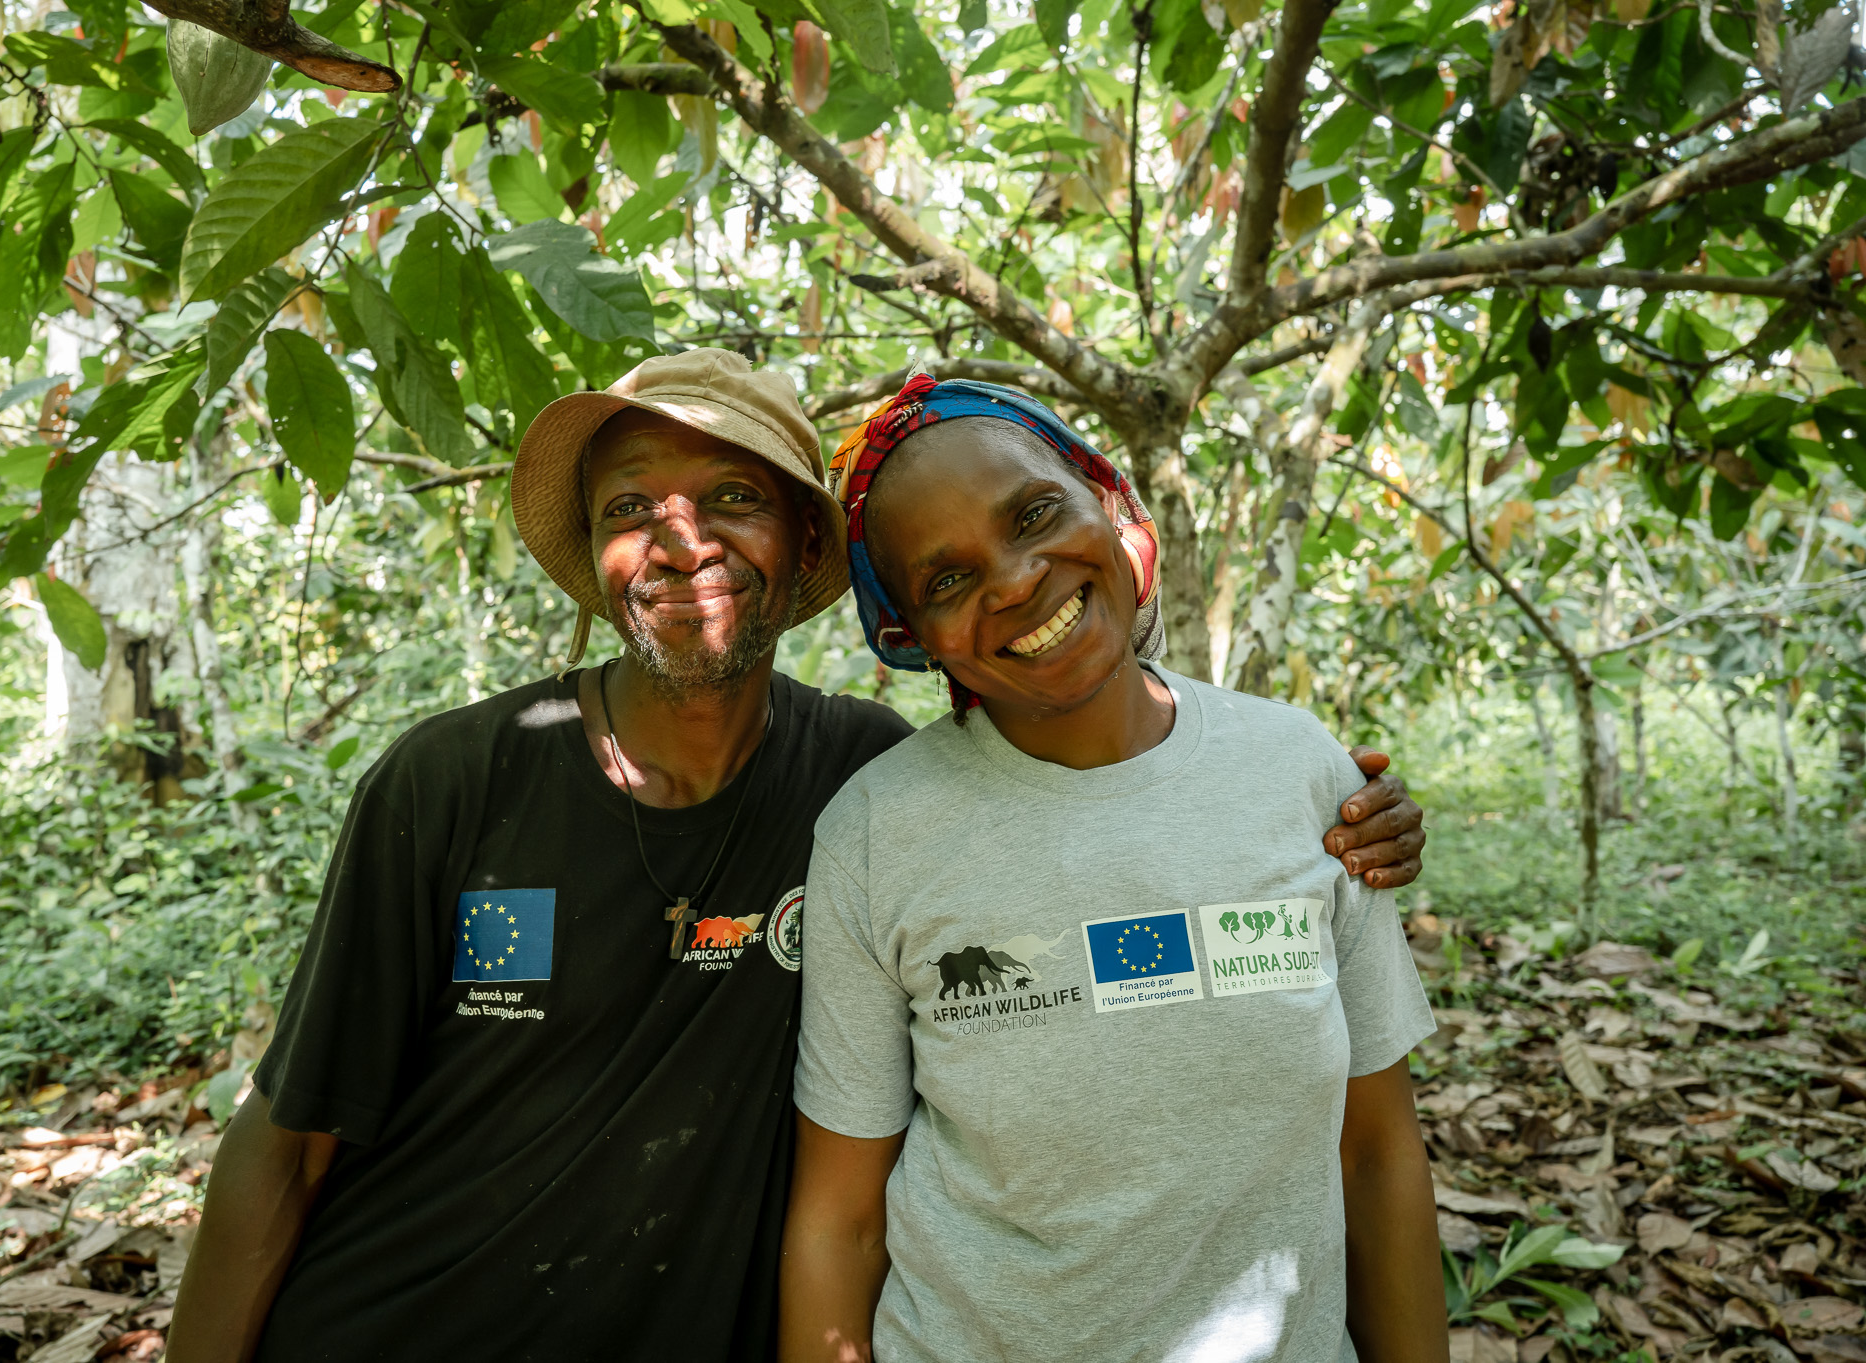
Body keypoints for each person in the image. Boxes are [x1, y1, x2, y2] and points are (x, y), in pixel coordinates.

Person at [167, 350, 1429, 1361]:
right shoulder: (456, 781)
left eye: (728, 499)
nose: (681, 542)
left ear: (803, 549)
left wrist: (1343, 812)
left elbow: (1105, 793)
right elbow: (285, 1140)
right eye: (629, 510)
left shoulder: (859, 779)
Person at [779, 374, 1447, 1363]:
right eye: (947, 579)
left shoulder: (1302, 773)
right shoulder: (876, 833)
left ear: (1109, 501)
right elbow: (839, 1220)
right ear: (913, 639)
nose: (1011, 581)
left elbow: (1378, 1152)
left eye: (1034, 513)